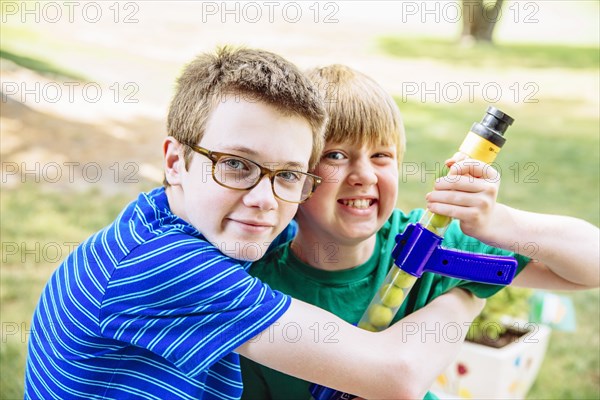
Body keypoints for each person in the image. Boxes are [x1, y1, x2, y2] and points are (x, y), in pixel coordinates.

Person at [24, 48, 488, 400]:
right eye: (236, 165)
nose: (264, 200)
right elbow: (396, 375)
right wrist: (466, 296)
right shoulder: (168, 267)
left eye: (287, 174)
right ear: (174, 161)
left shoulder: (181, 221)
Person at [240, 64, 600, 400]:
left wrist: (500, 224)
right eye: (335, 155)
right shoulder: (253, 272)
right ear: (296, 173)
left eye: (381, 155)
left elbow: (590, 265)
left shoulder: (429, 243)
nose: (364, 174)